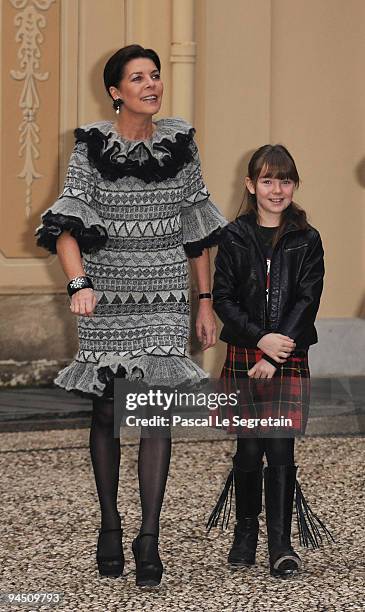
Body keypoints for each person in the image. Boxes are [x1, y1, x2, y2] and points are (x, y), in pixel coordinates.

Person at [35, 44, 227, 586]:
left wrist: (204, 301)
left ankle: (149, 538)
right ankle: (109, 526)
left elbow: (197, 230)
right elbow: (65, 225)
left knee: (154, 413)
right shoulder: (89, 147)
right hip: (107, 292)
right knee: (105, 412)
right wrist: (79, 284)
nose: (152, 84)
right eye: (138, 78)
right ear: (116, 91)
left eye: (156, 76)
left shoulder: (181, 144)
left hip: (165, 293)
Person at [206, 144, 334, 578]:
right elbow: (222, 297)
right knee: (248, 448)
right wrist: (260, 340)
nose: (276, 189)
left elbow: (307, 299)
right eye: (267, 180)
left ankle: (281, 542)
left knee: (279, 447)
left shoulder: (307, 238)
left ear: (294, 185)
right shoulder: (234, 236)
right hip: (245, 351)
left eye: (284, 180)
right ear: (250, 185)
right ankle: (246, 533)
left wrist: (277, 354)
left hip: (288, 355)